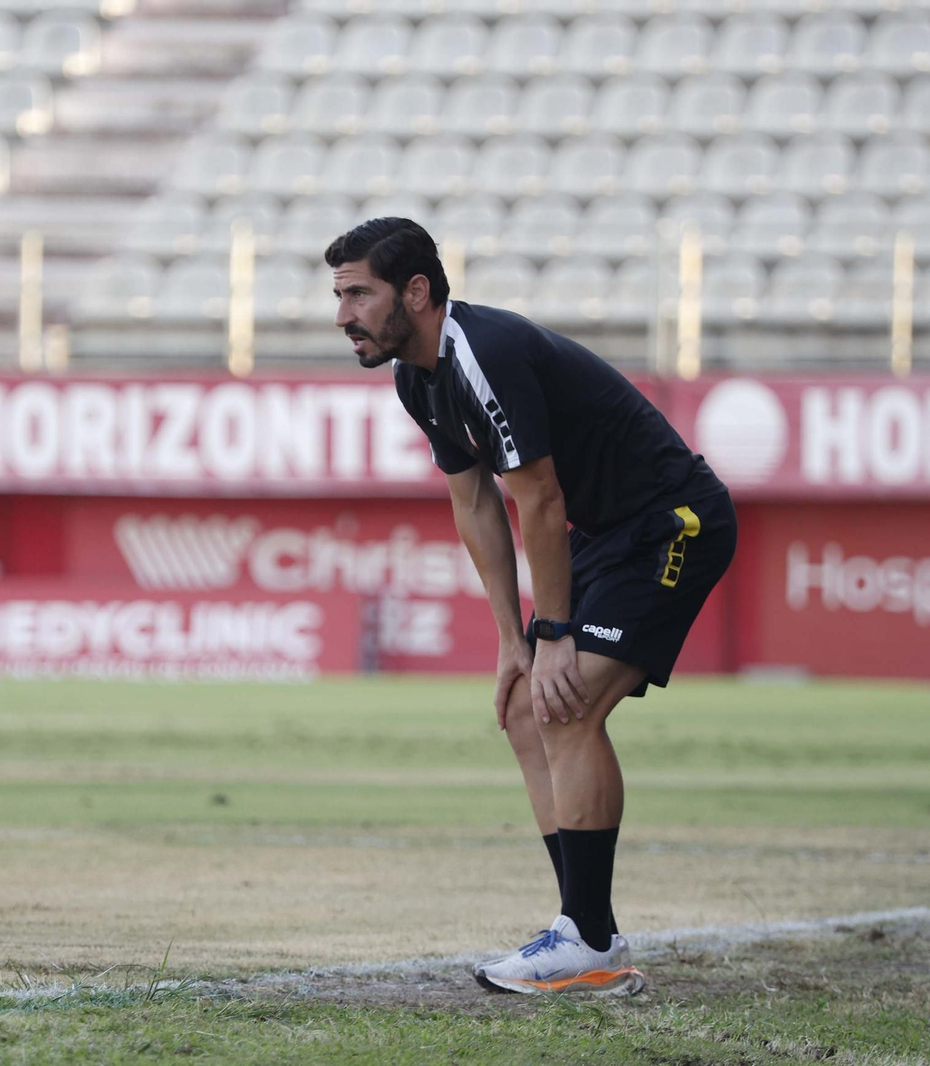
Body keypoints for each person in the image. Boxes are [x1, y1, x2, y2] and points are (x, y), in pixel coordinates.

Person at [326, 218, 737, 995]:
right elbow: (473, 504)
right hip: (610, 534)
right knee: (526, 705)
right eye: (338, 295)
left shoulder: (484, 352)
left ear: (415, 292)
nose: (342, 314)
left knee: (567, 705)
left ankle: (585, 939)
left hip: (672, 521)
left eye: (357, 293)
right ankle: (587, 931)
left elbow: (539, 501)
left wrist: (552, 634)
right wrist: (516, 641)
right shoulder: (416, 376)